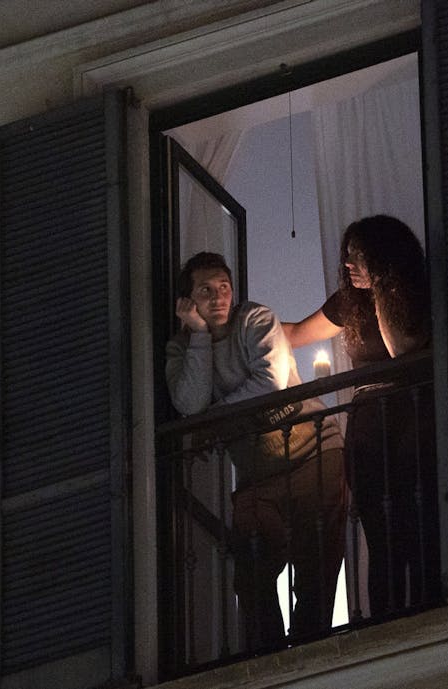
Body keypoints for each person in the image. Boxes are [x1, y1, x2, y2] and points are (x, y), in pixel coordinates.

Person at [164, 251, 346, 651]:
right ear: (187, 302)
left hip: (314, 452)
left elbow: (271, 384)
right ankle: (269, 661)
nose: (218, 297)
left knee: (316, 569)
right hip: (257, 476)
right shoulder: (181, 349)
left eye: (224, 287)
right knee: (252, 573)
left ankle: (309, 657)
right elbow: (189, 402)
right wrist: (197, 336)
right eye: (206, 291)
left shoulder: (256, 319)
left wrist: (216, 418)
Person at [281, 215, 437, 616]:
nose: (349, 263)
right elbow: (296, 333)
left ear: (383, 256)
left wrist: (382, 289)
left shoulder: (417, 292)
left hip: (411, 414)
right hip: (368, 422)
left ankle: (424, 609)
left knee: (416, 522)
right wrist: (241, 329)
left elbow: (401, 346)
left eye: (359, 254)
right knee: (378, 530)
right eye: (347, 254)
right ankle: (384, 618)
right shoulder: (347, 304)